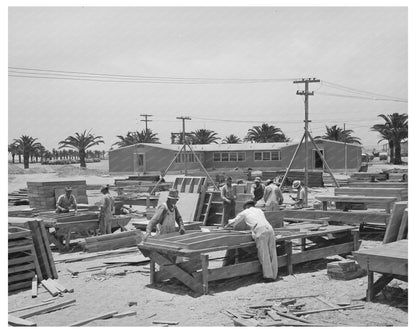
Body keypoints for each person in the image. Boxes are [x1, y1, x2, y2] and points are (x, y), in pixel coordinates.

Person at [224, 200, 278, 281]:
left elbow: (234, 221)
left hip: (260, 230)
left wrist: (227, 225)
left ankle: (268, 276)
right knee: (272, 252)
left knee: (264, 253)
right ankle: (274, 274)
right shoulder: (259, 210)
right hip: (270, 229)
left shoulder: (245, 212)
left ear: (246, 207)